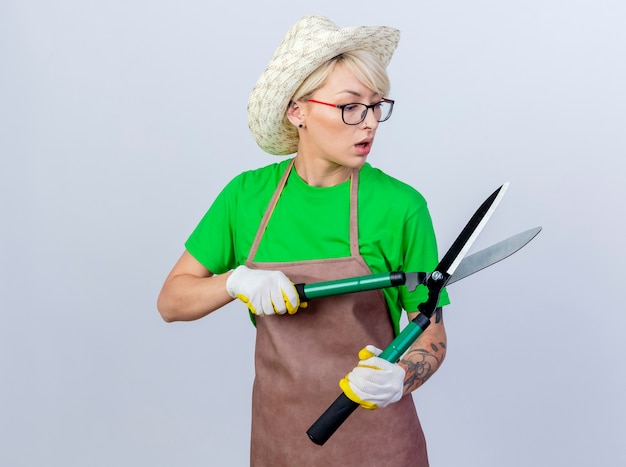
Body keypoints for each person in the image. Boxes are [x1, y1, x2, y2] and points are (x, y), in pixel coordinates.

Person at [157, 15, 450, 466]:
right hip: (281, 439)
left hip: (379, 443)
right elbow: (171, 302)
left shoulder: (401, 206)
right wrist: (233, 282)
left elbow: (430, 330)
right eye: (350, 106)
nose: (369, 123)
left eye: (376, 105)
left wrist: (401, 378)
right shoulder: (246, 198)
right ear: (299, 111)